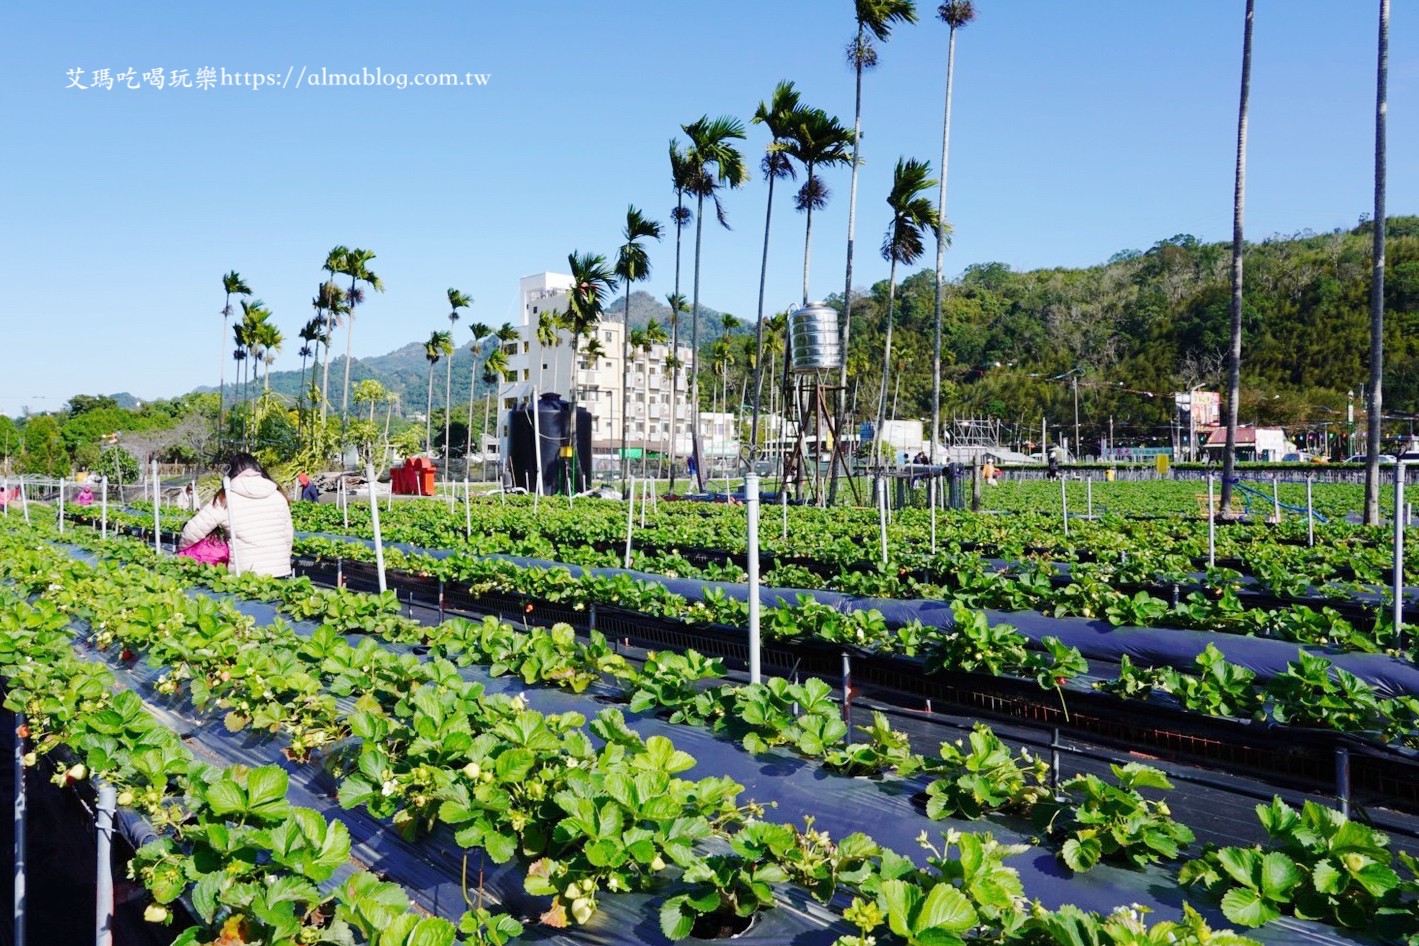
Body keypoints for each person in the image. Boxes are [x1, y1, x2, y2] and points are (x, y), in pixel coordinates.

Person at [179, 452, 293, 577]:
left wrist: (182, 549)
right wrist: (280, 560)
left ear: (231, 472)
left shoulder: (226, 498)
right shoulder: (277, 495)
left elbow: (192, 531)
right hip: (280, 570)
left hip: (246, 573)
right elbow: (287, 535)